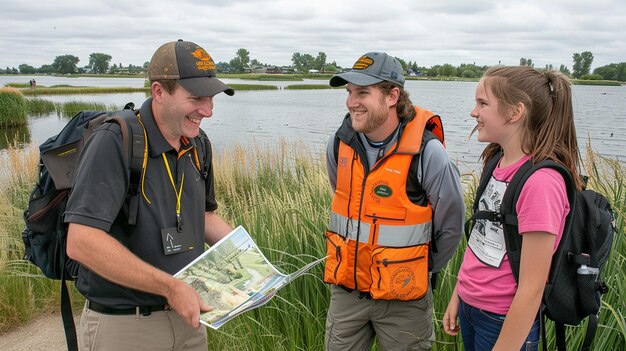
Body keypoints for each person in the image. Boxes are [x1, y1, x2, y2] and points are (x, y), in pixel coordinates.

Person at [65, 39, 235, 351]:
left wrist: (249, 257)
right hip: (127, 326)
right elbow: (81, 241)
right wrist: (171, 289)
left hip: (190, 320)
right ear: (158, 92)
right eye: (196, 97)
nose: (207, 111)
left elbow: (204, 216)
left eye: (211, 99)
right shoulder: (115, 141)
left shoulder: (198, 145)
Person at [324, 52, 464, 351]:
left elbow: (450, 228)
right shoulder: (338, 144)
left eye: (362, 92)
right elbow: (344, 198)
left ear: (392, 96)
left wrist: (415, 270)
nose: (351, 102)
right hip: (346, 293)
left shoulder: (428, 153)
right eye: (349, 93)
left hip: (404, 299)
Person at [443, 66, 581, 351]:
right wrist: (459, 295)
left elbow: (532, 289)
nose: (473, 112)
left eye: (483, 103)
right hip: (473, 307)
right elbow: (482, 238)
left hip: (503, 320)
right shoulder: (497, 161)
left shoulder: (541, 183)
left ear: (515, 112)